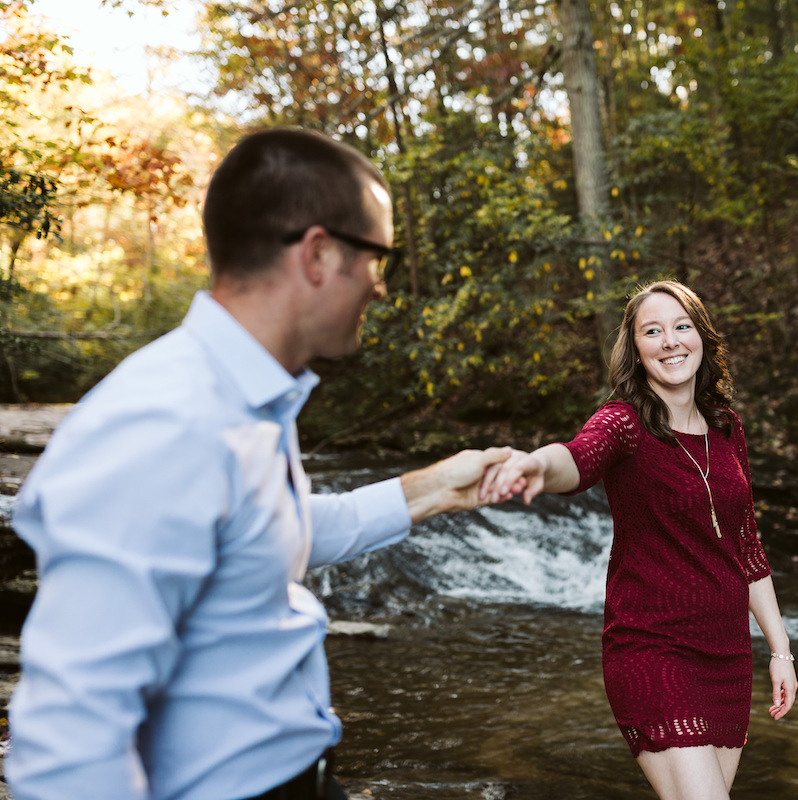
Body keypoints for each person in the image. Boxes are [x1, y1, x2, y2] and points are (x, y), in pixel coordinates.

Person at [3, 128, 524, 800]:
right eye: (379, 258)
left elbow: (255, 534)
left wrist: (433, 489)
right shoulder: (165, 424)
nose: (383, 288)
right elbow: (70, 741)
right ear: (318, 253)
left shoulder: (241, 398)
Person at [480, 280, 798, 800]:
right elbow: (579, 457)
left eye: (681, 326)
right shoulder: (624, 422)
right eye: (653, 331)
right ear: (636, 348)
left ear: (702, 337)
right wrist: (539, 464)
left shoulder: (726, 428)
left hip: (727, 655)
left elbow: (746, 545)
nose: (670, 340)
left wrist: (780, 651)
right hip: (652, 647)